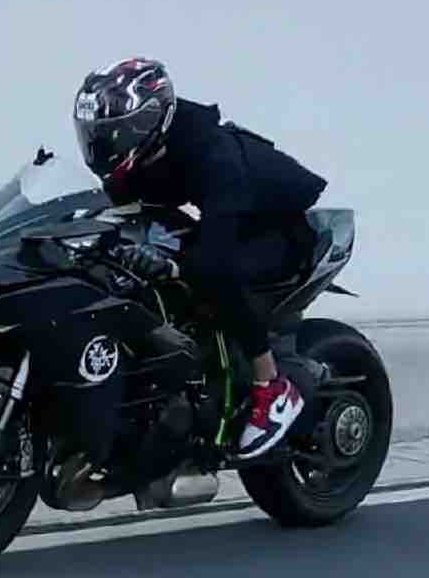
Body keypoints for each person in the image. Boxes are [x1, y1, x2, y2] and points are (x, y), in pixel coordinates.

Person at [73, 57, 327, 458]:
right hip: (226, 215)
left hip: (276, 227)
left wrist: (175, 264)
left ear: (149, 121)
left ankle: (271, 386)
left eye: (116, 133)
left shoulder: (213, 154)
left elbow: (215, 251)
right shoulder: (138, 155)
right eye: (97, 134)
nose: (105, 144)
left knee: (212, 272)